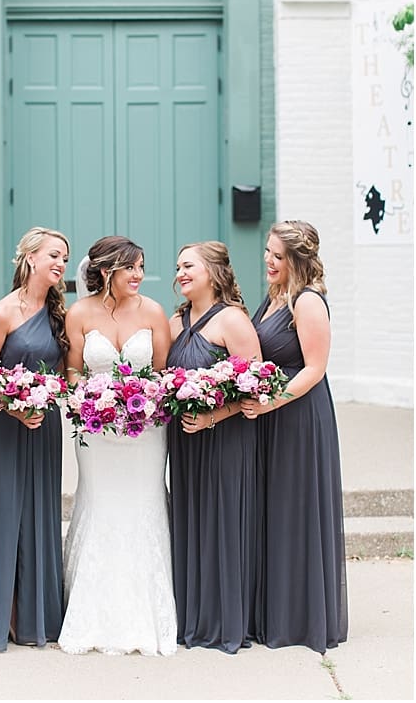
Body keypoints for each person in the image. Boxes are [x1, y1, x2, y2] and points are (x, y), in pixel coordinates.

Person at [57, 236, 176, 656]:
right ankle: (93, 611)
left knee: (143, 503)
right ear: (107, 270)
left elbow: (163, 372)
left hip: (146, 432)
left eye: (142, 267)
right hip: (97, 434)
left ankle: (148, 613)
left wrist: (142, 400)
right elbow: (72, 370)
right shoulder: (79, 313)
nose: (139, 276)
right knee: (102, 503)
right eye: (131, 268)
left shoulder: (154, 311)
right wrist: (90, 399)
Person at [241, 221, 347, 652]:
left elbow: (314, 368)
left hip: (299, 416)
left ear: (297, 260)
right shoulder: (272, 297)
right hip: (271, 416)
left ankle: (300, 618)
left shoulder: (308, 302)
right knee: (272, 508)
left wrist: (271, 402)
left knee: (295, 507)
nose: (268, 260)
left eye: (277, 256)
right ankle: (271, 611)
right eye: (267, 252)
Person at [166, 242, 262, 653]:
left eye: (189, 266)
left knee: (221, 521)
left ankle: (224, 622)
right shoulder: (175, 321)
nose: (181, 273)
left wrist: (213, 416)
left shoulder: (232, 320)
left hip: (224, 437)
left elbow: (258, 383)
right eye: (178, 267)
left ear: (213, 271)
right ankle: (193, 617)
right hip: (184, 442)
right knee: (191, 520)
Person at [0, 228, 70, 650]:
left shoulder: (57, 313)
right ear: (30, 257)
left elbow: (64, 371)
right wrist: (14, 406)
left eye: (65, 259)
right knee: (7, 510)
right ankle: (5, 612)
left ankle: (39, 614)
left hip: (44, 426)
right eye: (54, 255)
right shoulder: (3, 312)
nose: (61, 264)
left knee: (40, 511)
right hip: (6, 426)